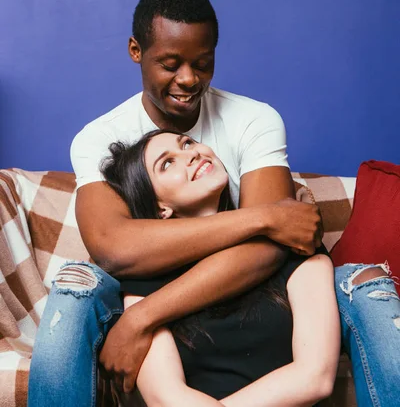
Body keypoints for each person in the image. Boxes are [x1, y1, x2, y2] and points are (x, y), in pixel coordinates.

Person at [28, 0, 400, 407]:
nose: (188, 79)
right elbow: (115, 249)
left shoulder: (253, 119)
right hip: (146, 286)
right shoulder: (98, 138)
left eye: (202, 63)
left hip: (256, 284)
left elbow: (274, 252)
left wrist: (145, 316)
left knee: (366, 285)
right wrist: (267, 217)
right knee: (77, 287)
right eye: (170, 64)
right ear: (136, 51)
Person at [101, 128, 341, 406]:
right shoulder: (144, 282)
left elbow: (316, 377)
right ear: (160, 208)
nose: (190, 154)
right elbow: (166, 398)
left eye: (187, 143)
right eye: (167, 163)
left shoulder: (294, 246)